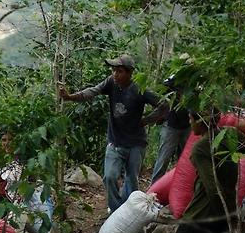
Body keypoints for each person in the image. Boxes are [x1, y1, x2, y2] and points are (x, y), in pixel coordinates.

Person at [60, 55, 167, 213]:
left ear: (130, 73)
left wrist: (148, 120)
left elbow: (164, 103)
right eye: (113, 70)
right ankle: (117, 211)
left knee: (131, 182)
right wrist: (70, 97)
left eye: (119, 71)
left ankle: (129, 214)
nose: (115, 74)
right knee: (109, 177)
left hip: (136, 143)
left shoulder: (139, 88)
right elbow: (93, 91)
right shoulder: (111, 82)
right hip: (115, 141)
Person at [151, 77, 192, 182]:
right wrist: (159, 116)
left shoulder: (194, 82)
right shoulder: (171, 81)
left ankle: (181, 187)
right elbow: (157, 96)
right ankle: (154, 189)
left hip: (188, 126)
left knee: (185, 160)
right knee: (163, 160)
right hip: (171, 126)